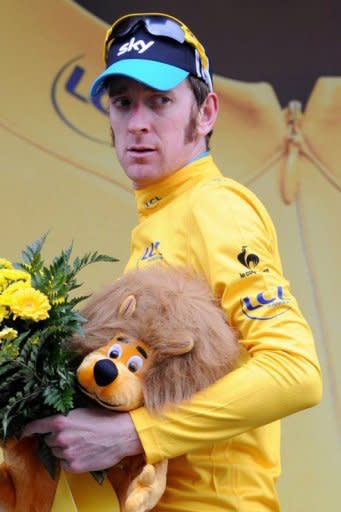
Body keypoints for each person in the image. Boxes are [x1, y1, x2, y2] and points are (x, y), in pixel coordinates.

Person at [24, 12, 322, 511]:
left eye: (160, 101)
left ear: (206, 113)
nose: (137, 122)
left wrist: (134, 433)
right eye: (123, 103)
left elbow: (295, 371)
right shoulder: (162, 219)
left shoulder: (216, 207)